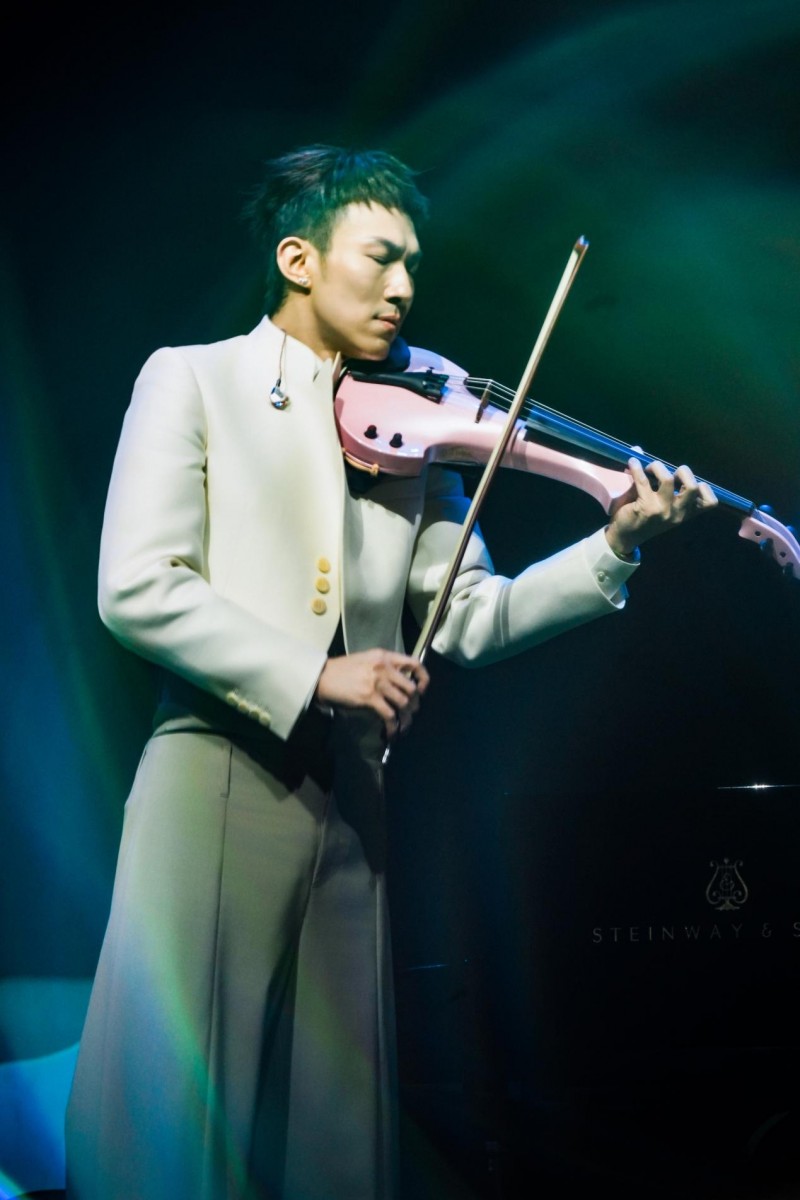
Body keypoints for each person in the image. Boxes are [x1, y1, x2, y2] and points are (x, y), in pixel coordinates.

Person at [65, 144, 716, 1200]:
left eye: (414, 263)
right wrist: (316, 674)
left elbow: (473, 617)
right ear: (299, 259)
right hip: (217, 771)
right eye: (380, 257)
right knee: (181, 1117)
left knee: (333, 1128)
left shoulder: (410, 417)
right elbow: (136, 586)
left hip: (352, 800)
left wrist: (613, 544)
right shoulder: (192, 379)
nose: (405, 286)